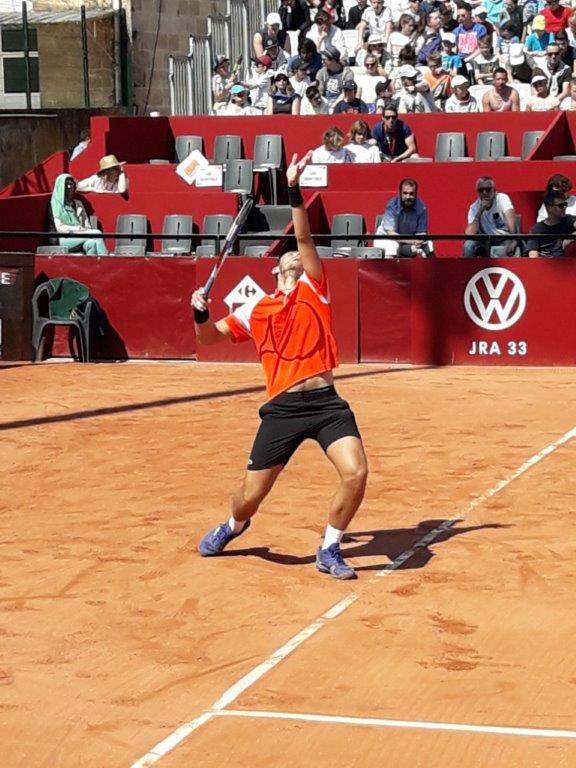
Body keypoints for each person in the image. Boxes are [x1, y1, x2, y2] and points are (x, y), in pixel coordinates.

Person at [192, 152, 368, 581]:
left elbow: (305, 239)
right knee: (248, 499)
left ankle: (329, 548)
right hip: (283, 410)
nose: (294, 256)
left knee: (356, 472)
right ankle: (233, 526)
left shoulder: (315, 291)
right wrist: (199, 313)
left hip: (326, 402)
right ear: (274, 269)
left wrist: (293, 188)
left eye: (298, 255)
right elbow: (207, 338)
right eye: (286, 256)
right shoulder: (255, 308)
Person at [50, 174, 108, 255]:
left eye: (71, 184)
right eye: (66, 184)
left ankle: (92, 266)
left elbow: (86, 223)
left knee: (91, 243)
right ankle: (106, 259)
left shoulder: (78, 203)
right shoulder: (55, 205)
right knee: (97, 233)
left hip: (81, 234)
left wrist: (86, 230)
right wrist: (78, 229)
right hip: (64, 238)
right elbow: (60, 228)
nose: (70, 187)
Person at [374, 178, 432, 257]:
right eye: (405, 193)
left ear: (416, 194)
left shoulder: (421, 208)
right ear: (400, 193)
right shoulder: (392, 206)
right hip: (386, 238)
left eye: (411, 194)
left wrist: (419, 240)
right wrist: (412, 241)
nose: (408, 197)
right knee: (393, 248)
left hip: (410, 241)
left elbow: (421, 232)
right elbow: (390, 233)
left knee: (429, 246)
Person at [463, 176, 517, 257]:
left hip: (504, 238)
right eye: (481, 190)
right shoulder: (474, 207)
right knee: (468, 245)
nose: (484, 192)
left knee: (502, 250)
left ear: (494, 191)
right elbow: (469, 233)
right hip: (486, 240)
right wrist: (480, 211)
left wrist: (514, 240)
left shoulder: (502, 199)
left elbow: (510, 218)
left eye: (488, 189)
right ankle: (468, 269)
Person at [527, 193, 576, 257]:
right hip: (546, 264)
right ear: (549, 208)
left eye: (565, 204)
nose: (565, 207)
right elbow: (533, 255)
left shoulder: (569, 219)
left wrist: (569, 239)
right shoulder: (536, 230)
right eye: (561, 205)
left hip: (567, 263)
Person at [315, 44, 354, 111]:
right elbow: (319, 92)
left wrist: (333, 106)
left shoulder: (347, 73)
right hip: (324, 102)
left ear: (333, 60)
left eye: (324, 60)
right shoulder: (321, 72)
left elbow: (345, 93)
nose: (322, 62)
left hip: (341, 102)